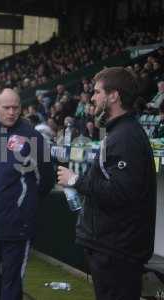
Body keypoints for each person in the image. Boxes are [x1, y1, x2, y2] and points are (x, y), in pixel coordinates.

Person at [57, 67, 156, 300]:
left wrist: (76, 180)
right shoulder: (118, 132)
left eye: (97, 92)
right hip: (110, 247)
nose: (92, 98)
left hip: (117, 250)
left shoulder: (126, 137)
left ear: (114, 95)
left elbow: (121, 193)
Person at [0, 88, 54, 300]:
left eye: (15, 107)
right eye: (6, 107)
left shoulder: (33, 137)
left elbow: (45, 179)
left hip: (18, 225)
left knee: (12, 283)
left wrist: (24, 206)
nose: (11, 112)